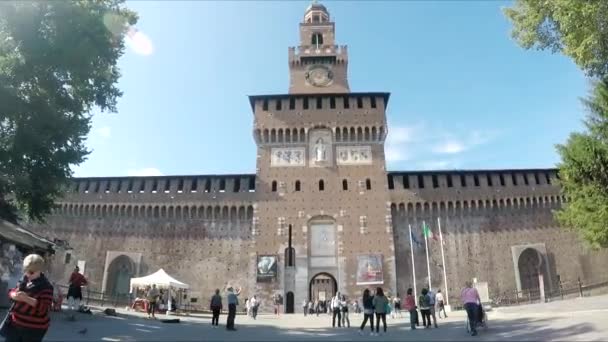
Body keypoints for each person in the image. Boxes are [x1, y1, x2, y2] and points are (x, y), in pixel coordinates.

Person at [4, 254, 53, 342]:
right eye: (25, 271)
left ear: (39, 271)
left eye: (31, 272)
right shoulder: (24, 279)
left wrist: (26, 298)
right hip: (15, 324)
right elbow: (13, 291)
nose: (27, 274)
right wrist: (13, 295)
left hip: (34, 328)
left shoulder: (46, 286)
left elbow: (44, 308)